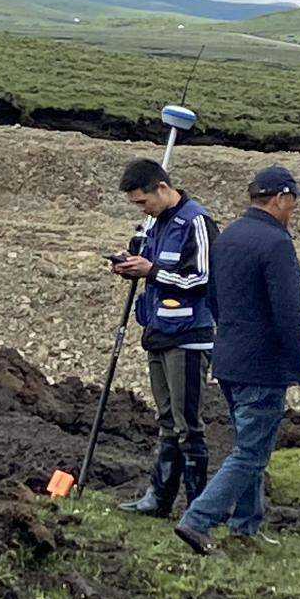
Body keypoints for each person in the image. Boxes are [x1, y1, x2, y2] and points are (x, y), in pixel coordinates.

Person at [174, 165, 300, 554]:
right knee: (252, 451)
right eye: (292, 203)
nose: (293, 210)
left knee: (247, 444)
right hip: (263, 366)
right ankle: (198, 520)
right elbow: (289, 314)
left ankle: (246, 526)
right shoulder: (276, 244)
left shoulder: (229, 236)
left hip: (229, 359)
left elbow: (213, 298)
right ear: (280, 199)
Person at [111, 159, 219, 518]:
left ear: (161, 187)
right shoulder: (155, 225)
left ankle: (197, 507)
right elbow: (155, 270)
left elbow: (203, 280)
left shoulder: (197, 223)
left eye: (143, 202)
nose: (142, 210)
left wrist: (152, 271)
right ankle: (159, 499)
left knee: (188, 424)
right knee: (167, 420)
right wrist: (131, 266)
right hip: (158, 332)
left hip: (188, 337)